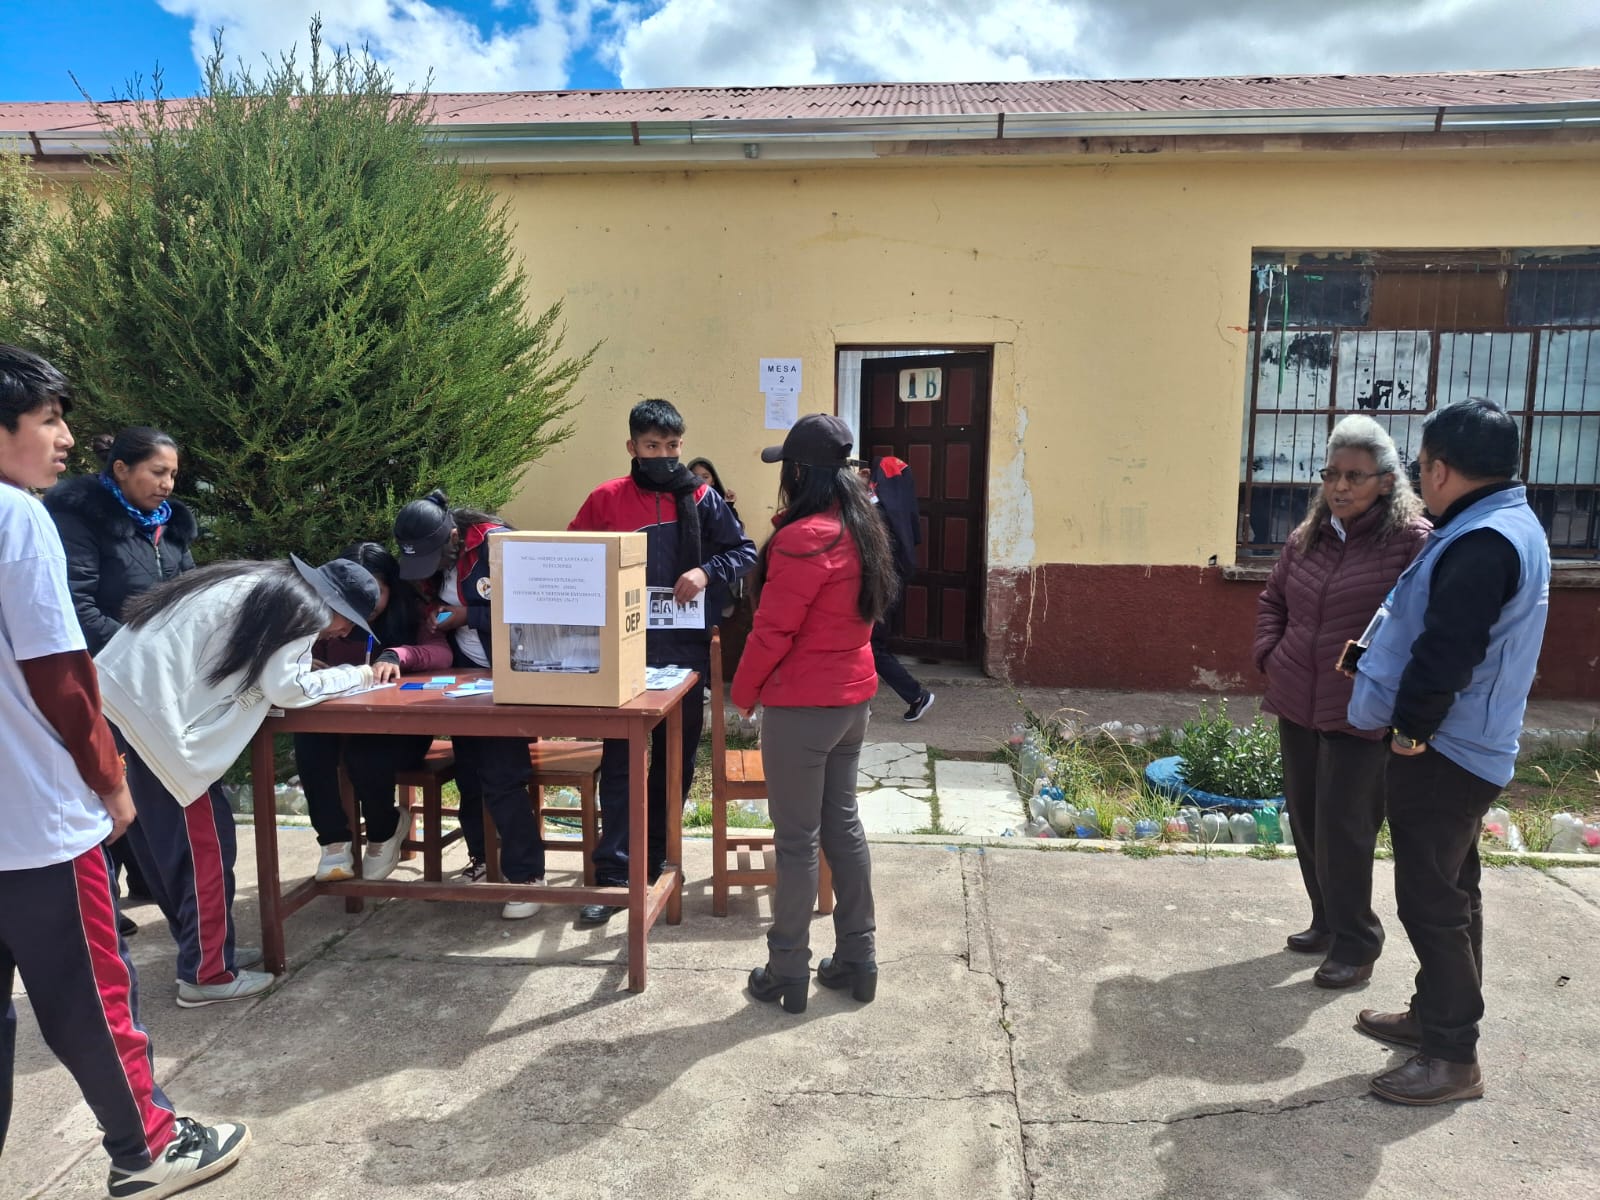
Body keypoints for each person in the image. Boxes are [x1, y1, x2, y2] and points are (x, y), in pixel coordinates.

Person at [0, 343, 249, 1197]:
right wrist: (110, 782)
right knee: (91, 998)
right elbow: (61, 672)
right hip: (32, 817)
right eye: (48, 420)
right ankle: (146, 1146)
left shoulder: (160, 529)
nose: (63, 437)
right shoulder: (19, 517)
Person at [1348, 400, 1551, 1106]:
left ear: (1437, 467)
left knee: (1432, 900)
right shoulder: (1502, 524)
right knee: (1454, 889)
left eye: (1419, 466)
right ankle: (1434, 1016)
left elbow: (1447, 652)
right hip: (1469, 742)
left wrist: (1410, 732)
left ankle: (1451, 1056)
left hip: (1448, 750)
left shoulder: (1483, 541)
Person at [95, 555, 381, 1007]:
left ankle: (206, 948)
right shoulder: (301, 607)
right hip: (160, 727)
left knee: (162, 847)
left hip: (113, 703)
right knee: (205, 849)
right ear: (334, 603)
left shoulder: (257, 580)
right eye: (351, 622)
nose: (346, 633)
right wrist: (355, 674)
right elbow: (286, 688)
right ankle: (207, 973)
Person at [1253, 415, 1429, 989]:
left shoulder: (1412, 542)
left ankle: (1358, 942)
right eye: (1332, 474)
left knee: (1346, 828)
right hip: (1297, 702)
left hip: (1362, 713)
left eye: (1356, 475)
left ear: (1386, 480)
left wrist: (1389, 691)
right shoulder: (1309, 536)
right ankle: (1325, 922)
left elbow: (1420, 628)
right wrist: (1270, 652)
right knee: (1306, 819)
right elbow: (1273, 598)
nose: (1341, 487)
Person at [731, 413, 899, 1014]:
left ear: (799, 471)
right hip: (851, 703)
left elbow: (773, 630)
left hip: (802, 708)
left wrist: (741, 692)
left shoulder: (805, 538)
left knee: (798, 843)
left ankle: (786, 971)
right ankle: (858, 956)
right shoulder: (860, 528)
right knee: (843, 828)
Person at [568, 399, 757, 923]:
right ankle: (613, 874)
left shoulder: (701, 496)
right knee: (622, 756)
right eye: (653, 447)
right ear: (632, 447)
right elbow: (575, 556)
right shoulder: (606, 498)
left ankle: (660, 859)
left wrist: (706, 571)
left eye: (673, 446)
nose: (665, 456)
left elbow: (745, 550)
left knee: (676, 757)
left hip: (686, 647)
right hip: (625, 648)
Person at [46, 426, 199, 937]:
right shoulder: (78, 519)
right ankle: (100, 906)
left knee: (146, 778)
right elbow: (76, 603)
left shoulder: (171, 526)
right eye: (158, 472)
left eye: (173, 474)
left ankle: (146, 880)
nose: (168, 485)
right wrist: (142, 654)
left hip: (157, 678)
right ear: (121, 469)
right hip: (102, 675)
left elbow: (191, 597)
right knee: (103, 783)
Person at [393, 490, 548, 919]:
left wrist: (466, 617)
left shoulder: (498, 548)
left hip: (510, 676)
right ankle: (483, 858)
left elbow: (532, 612)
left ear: (455, 538)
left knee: (502, 775)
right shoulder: (432, 563)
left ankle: (527, 876)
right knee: (470, 774)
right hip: (465, 678)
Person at [292, 542, 453, 884]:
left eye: (377, 591)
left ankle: (385, 830)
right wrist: (305, 663)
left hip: (399, 730)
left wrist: (398, 655)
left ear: (392, 588)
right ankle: (333, 842)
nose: (365, 605)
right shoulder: (323, 617)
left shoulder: (412, 613)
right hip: (338, 723)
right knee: (308, 744)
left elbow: (441, 654)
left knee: (364, 757)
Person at [865, 456, 934, 722]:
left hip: (877, 586)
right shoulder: (903, 507)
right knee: (870, 644)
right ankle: (862, 703)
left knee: (871, 645)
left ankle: (916, 695)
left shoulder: (879, 511)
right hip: (891, 584)